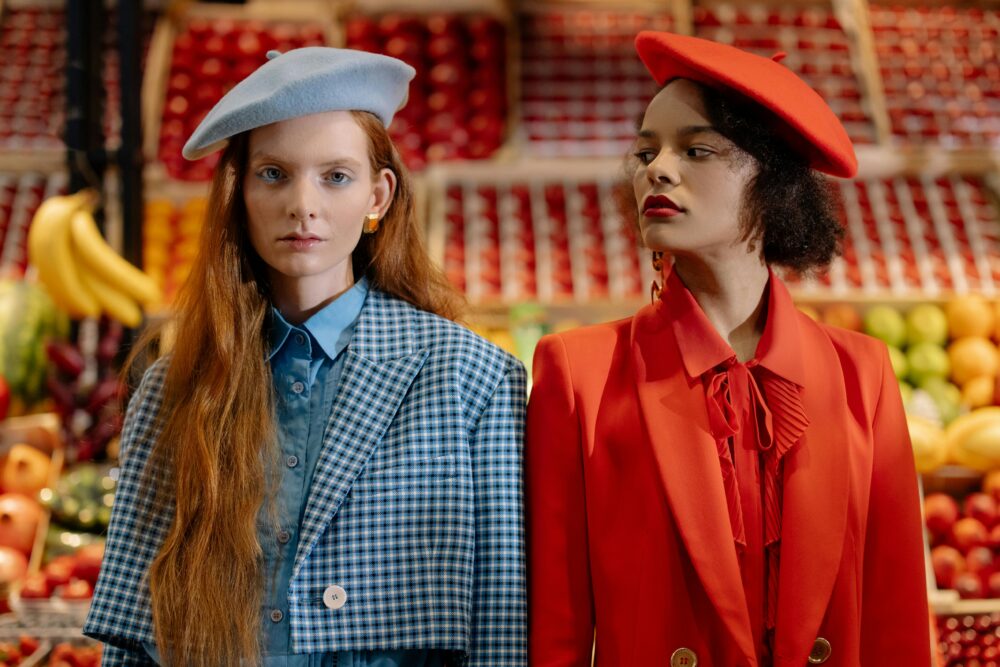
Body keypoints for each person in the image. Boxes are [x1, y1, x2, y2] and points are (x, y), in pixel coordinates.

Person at [84, 47, 526, 667]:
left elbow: (501, 629)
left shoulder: (469, 378)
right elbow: (133, 633)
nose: (302, 204)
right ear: (238, 193)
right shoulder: (171, 389)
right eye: (273, 174)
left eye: (335, 176)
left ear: (379, 195)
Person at [526, 32, 930, 667]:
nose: (656, 168)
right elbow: (557, 629)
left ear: (774, 182)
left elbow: (897, 619)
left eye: (697, 149)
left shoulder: (863, 373)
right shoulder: (579, 372)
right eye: (645, 150)